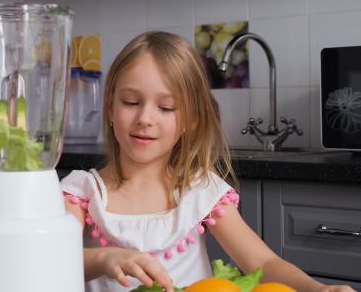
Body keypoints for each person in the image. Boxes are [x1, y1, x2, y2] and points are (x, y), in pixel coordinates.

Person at [60, 31, 356, 292]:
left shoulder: (200, 192)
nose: (145, 119)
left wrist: (316, 289)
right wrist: (104, 258)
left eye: (166, 107)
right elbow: (50, 258)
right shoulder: (82, 193)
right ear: (110, 107)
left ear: (191, 119)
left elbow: (263, 263)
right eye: (131, 102)